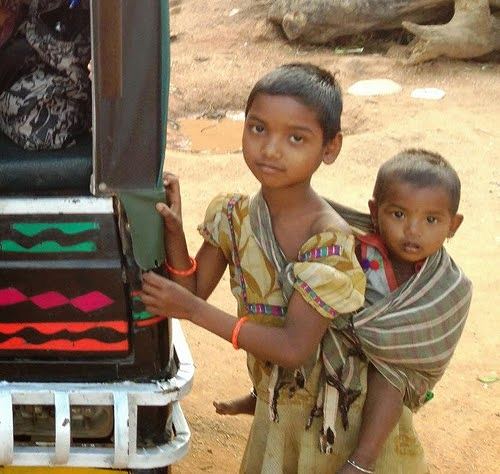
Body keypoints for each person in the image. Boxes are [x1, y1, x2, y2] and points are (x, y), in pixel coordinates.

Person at [141, 64, 471, 473]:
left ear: (330, 148)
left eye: (296, 138)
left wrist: (193, 313)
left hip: (338, 418)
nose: (271, 149)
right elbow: (190, 292)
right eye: (258, 128)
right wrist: (175, 231)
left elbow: (295, 349)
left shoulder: (329, 241)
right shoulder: (233, 216)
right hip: (279, 407)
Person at [212, 148, 473, 473]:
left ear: (453, 224)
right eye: (398, 215)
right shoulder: (352, 245)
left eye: (431, 220)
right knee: (295, 316)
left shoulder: (446, 286)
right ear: (375, 212)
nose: (412, 231)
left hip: (386, 373)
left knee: (392, 377)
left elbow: (421, 354)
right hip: (321, 355)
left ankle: (362, 460)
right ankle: (260, 395)